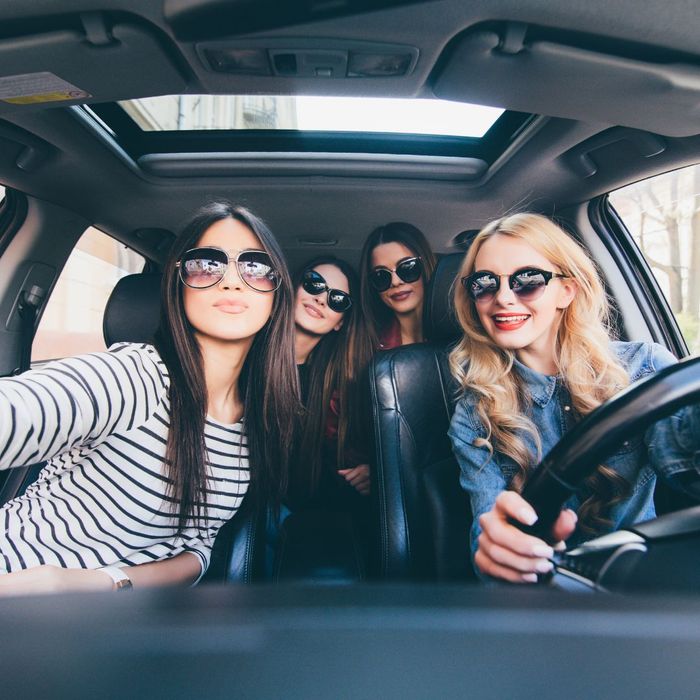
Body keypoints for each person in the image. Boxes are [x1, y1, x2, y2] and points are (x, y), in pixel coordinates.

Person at [0, 201, 299, 595]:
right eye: (206, 264)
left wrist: (103, 581)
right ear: (179, 285)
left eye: (255, 267)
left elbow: (198, 547)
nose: (231, 280)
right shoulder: (133, 377)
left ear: (277, 293)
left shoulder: (257, 418)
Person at [447, 212, 700, 584]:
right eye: (485, 283)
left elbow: (685, 462)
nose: (501, 298)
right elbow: (489, 535)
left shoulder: (642, 367)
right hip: (553, 597)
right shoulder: (474, 414)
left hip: (645, 581)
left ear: (567, 290)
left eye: (527, 280)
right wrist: (501, 551)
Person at [290, 256, 372, 506]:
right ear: (293, 290)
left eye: (337, 299)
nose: (321, 298)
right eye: (314, 284)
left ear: (341, 323)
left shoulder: (336, 386)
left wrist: (374, 472)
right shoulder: (246, 353)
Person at [359, 222, 436, 350]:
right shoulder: (369, 348)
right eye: (381, 276)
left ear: (425, 266)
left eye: (407, 268)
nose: (395, 282)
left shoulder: (461, 337)